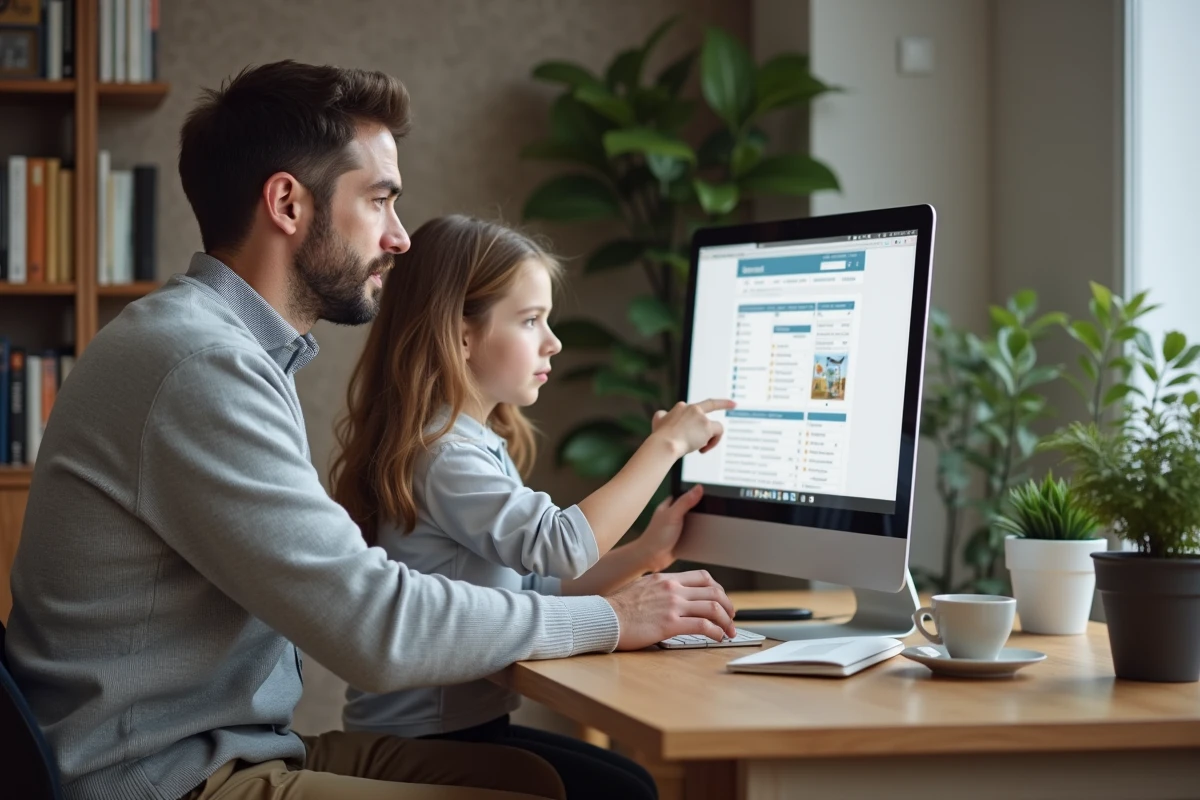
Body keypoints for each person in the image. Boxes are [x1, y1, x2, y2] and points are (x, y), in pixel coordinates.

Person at [3, 61, 738, 800]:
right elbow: (373, 627)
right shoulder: (198, 366)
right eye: (379, 201)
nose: (399, 239)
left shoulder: (225, 350)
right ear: (288, 203)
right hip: (166, 778)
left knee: (566, 783)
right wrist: (606, 620)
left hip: (235, 745)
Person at [330, 215, 733, 800]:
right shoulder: (444, 457)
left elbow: (535, 590)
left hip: (461, 730)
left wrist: (648, 551)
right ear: (460, 335)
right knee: (626, 792)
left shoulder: (470, 443)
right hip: (424, 742)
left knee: (631, 782)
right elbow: (562, 546)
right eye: (530, 321)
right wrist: (666, 444)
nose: (554, 342)